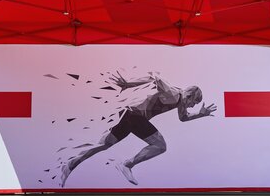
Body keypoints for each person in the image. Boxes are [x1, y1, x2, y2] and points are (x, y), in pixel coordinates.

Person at [60, 72, 216, 187]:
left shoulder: (179, 101)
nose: (191, 106)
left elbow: (183, 118)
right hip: (135, 116)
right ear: (189, 95)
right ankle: (127, 164)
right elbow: (155, 76)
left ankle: (70, 164)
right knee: (160, 146)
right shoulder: (174, 94)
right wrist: (128, 84)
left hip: (130, 115)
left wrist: (200, 115)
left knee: (103, 145)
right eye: (193, 103)